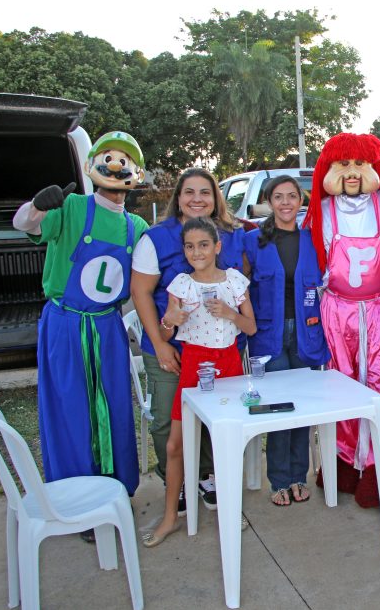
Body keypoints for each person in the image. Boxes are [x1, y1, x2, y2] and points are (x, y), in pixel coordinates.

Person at [12, 131, 148, 502]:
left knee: (115, 404)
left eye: (124, 160)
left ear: (136, 172)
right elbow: (25, 224)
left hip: (107, 326)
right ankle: (75, 496)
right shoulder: (71, 208)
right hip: (66, 324)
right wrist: (38, 205)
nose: (115, 165)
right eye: (108, 157)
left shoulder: (136, 228)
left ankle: (116, 488)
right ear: (93, 166)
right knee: (70, 407)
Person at [303, 132, 380, 511]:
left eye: (359, 164)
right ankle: (344, 461)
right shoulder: (322, 211)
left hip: (379, 309)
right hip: (337, 310)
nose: (352, 173)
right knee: (341, 386)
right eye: (344, 164)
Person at [131, 168, 245, 512]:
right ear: (177, 197)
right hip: (172, 346)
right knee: (170, 418)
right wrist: (161, 342)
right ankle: (175, 481)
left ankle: (206, 474)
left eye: (205, 192)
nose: (197, 199)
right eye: (189, 192)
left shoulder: (229, 235)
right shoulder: (155, 238)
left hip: (216, 349)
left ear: (216, 198)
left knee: (217, 414)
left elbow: (240, 283)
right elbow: (141, 292)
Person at [142, 217, 257, 547]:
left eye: (204, 245)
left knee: (228, 441)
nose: (197, 252)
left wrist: (230, 314)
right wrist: (169, 321)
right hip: (194, 366)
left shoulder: (234, 281)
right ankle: (169, 517)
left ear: (217, 247)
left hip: (229, 365)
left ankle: (229, 507)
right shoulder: (181, 284)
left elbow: (250, 328)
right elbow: (166, 331)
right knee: (175, 444)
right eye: (190, 246)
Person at [246, 175, 330, 506]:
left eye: (291, 196)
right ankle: (279, 480)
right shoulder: (252, 241)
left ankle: (299, 475)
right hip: (269, 335)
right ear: (268, 201)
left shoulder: (313, 240)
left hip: (308, 332)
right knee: (279, 409)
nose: (285, 203)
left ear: (300, 201)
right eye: (278, 197)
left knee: (304, 408)